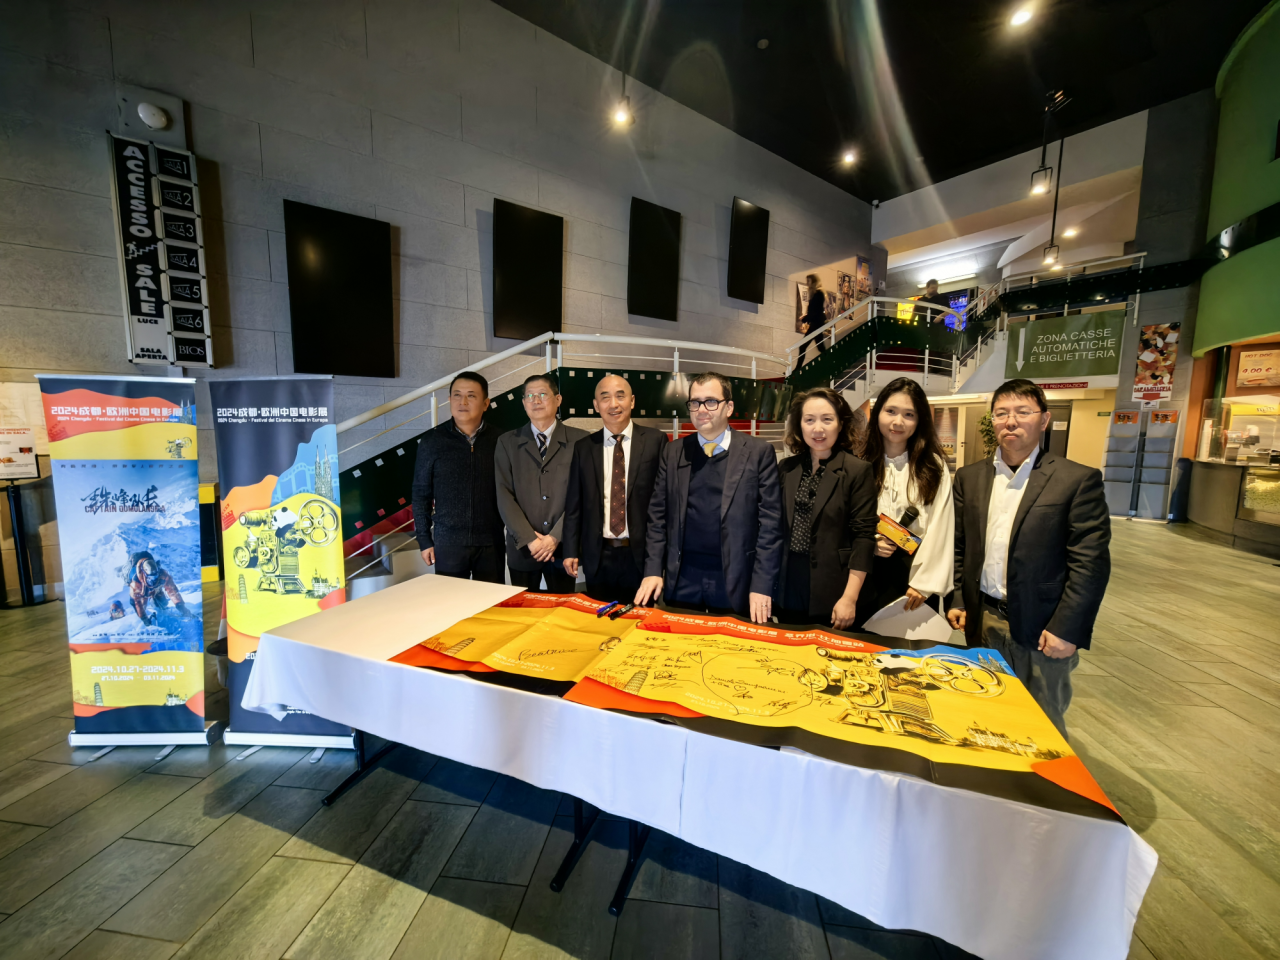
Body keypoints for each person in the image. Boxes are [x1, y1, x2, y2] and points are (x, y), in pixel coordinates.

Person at [946, 379, 1110, 736]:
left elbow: (1090, 565)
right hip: (983, 620)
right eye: (1001, 413)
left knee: (1042, 727)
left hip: (1043, 628)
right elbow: (960, 545)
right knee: (986, 718)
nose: (1011, 421)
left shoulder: (1076, 480)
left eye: (1023, 412)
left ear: (1044, 419)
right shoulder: (970, 478)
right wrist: (958, 597)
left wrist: (1067, 628)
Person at [637, 372, 783, 624]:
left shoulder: (759, 452)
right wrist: (652, 570)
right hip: (682, 575)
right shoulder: (673, 452)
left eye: (711, 402)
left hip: (736, 577)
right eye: (695, 402)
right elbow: (657, 517)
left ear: (729, 407)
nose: (701, 409)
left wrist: (762, 585)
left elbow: (771, 527)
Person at [855, 378, 955, 627]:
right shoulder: (859, 462)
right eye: (890, 411)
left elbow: (942, 525)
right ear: (878, 413)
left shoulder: (933, 466)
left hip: (914, 577)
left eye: (909, 414)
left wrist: (924, 584)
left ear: (920, 420)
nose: (898, 422)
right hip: (866, 571)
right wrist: (870, 543)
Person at [774, 388, 877, 628]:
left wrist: (849, 598)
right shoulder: (786, 468)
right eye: (809, 420)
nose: (817, 429)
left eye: (827, 420)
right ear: (799, 425)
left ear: (841, 424)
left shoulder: (857, 470)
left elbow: (863, 539)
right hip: (788, 584)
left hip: (835, 588)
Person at [561, 375, 666, 603]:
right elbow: (574, 504)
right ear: (596, 405)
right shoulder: (584, 447)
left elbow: (663, 503)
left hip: (641, 555)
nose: (614, 404)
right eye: (605, 398)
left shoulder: (655, 441)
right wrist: (570, 550)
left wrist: (658, 559)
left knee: (640, 618)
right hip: (598, 555)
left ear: (632, 401)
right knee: (598, 616)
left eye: (620, 396)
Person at [495, 373, 588, 593]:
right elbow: (504, 495)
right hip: (524, 548)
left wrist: (555, 537)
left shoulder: (582, 440)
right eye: (530, 396)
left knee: (562, 607)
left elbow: (585, 494)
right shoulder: (507, 442)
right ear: (523, 403)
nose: (536, 400)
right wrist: (531, 539)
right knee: (523, 607)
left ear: (558, 399)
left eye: (543, 394)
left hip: (564, 547)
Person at [411, 372, 505, 583]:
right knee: (451, 601)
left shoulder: (502, 440)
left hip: (491, 541)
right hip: (448, 543)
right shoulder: (432, 441)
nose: (463, 402)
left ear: (485, 403)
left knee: (491, 601)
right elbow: (421, 494)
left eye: (471, 395)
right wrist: (424, 539)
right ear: (449, 400)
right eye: (457, 395)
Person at [798, 274, 829, 366]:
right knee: (820, 347)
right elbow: (814, 311)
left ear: (813, 282)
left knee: (803, 346)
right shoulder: (816, 294)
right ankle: (830, 362)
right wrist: (806, 317)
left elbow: (815, 311)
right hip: (816, 323)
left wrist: (805, 318)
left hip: (817, 324)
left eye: (808, 281)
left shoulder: (818, 294)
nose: (807, 283)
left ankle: (797, 369)